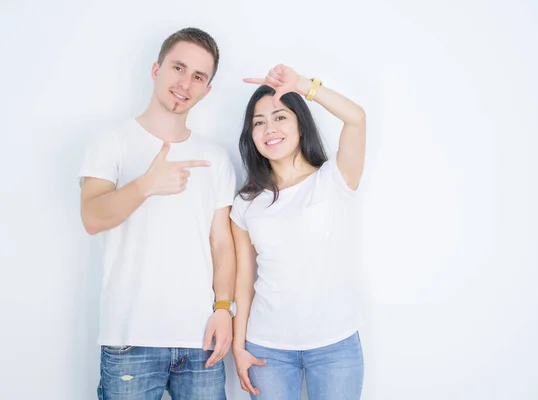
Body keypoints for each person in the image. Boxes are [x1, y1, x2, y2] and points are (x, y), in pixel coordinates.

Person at [78, 27, 237, 400]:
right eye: (178, 68)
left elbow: (221, 243)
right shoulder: (112, 140)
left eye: (198, 76)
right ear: (156, 69)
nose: (185, 83)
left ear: (207, 89)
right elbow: (92, 217)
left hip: (201, 341)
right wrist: (146, 184)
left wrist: (224, 308)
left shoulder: (215, 157)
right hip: (130, 339)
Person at [230, 64, 367, 400]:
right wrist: (238, 345)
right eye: (258, 122)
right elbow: (243, 281)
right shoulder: (247, 202)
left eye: (280, 117)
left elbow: (357, 118)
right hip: (268, 349)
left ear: (300, 125)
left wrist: (304, 85)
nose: (268, 129)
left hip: (336, 346)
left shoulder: (334, 178)